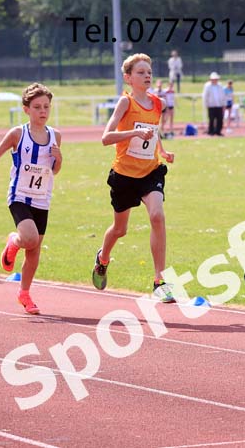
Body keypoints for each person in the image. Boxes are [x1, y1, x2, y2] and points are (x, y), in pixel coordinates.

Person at [92, 53, 176, 303]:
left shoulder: (158, 102)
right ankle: (103, 258)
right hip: (124, 175)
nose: (147, 75)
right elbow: (106, 137)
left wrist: (162, 150)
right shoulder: (125, 103)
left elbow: (153, 130)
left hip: (150, 171)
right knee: (120, 229)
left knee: (157, 216)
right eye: (140, 72)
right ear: (128, 78)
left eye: (149, 71)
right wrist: (134, 133)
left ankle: (159, 280)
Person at [0, 83, 63, 314]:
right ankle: (14, 241)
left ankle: (24, 293)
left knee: (34, 250)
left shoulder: (55, 136)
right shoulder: (18, 133)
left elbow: (54, 170)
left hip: (42, 199)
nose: (43, 111)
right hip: (19, 195)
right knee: (29, 238)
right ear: (26, 109)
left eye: (46, 106)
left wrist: (59, 157)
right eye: (37, 107)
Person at [203, 72, 225, 136]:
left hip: (219, 105)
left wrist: (223, 104)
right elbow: (205, 96)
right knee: (211, 119)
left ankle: (218, 131)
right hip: (211, 105)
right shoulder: (207, 86)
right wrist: (206, 104)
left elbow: (222, 95)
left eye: (216, 79)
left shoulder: (220, 86)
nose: (215, 80)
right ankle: (211, 131)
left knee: (220, 119)